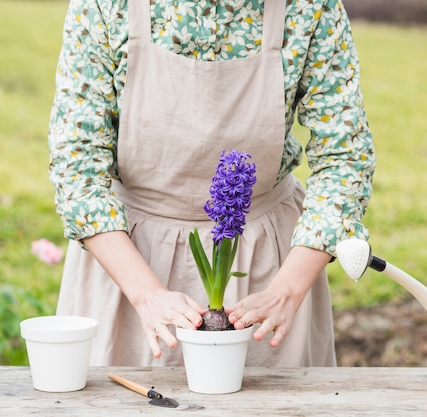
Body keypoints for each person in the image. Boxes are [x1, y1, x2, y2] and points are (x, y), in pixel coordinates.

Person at [48, 0, 375, 367]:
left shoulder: (310, 8)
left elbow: (345, 158)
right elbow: (76, 167)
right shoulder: (105, 6)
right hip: (128, 264)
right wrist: (146, 293)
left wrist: (288, 290)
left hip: (269, 270)